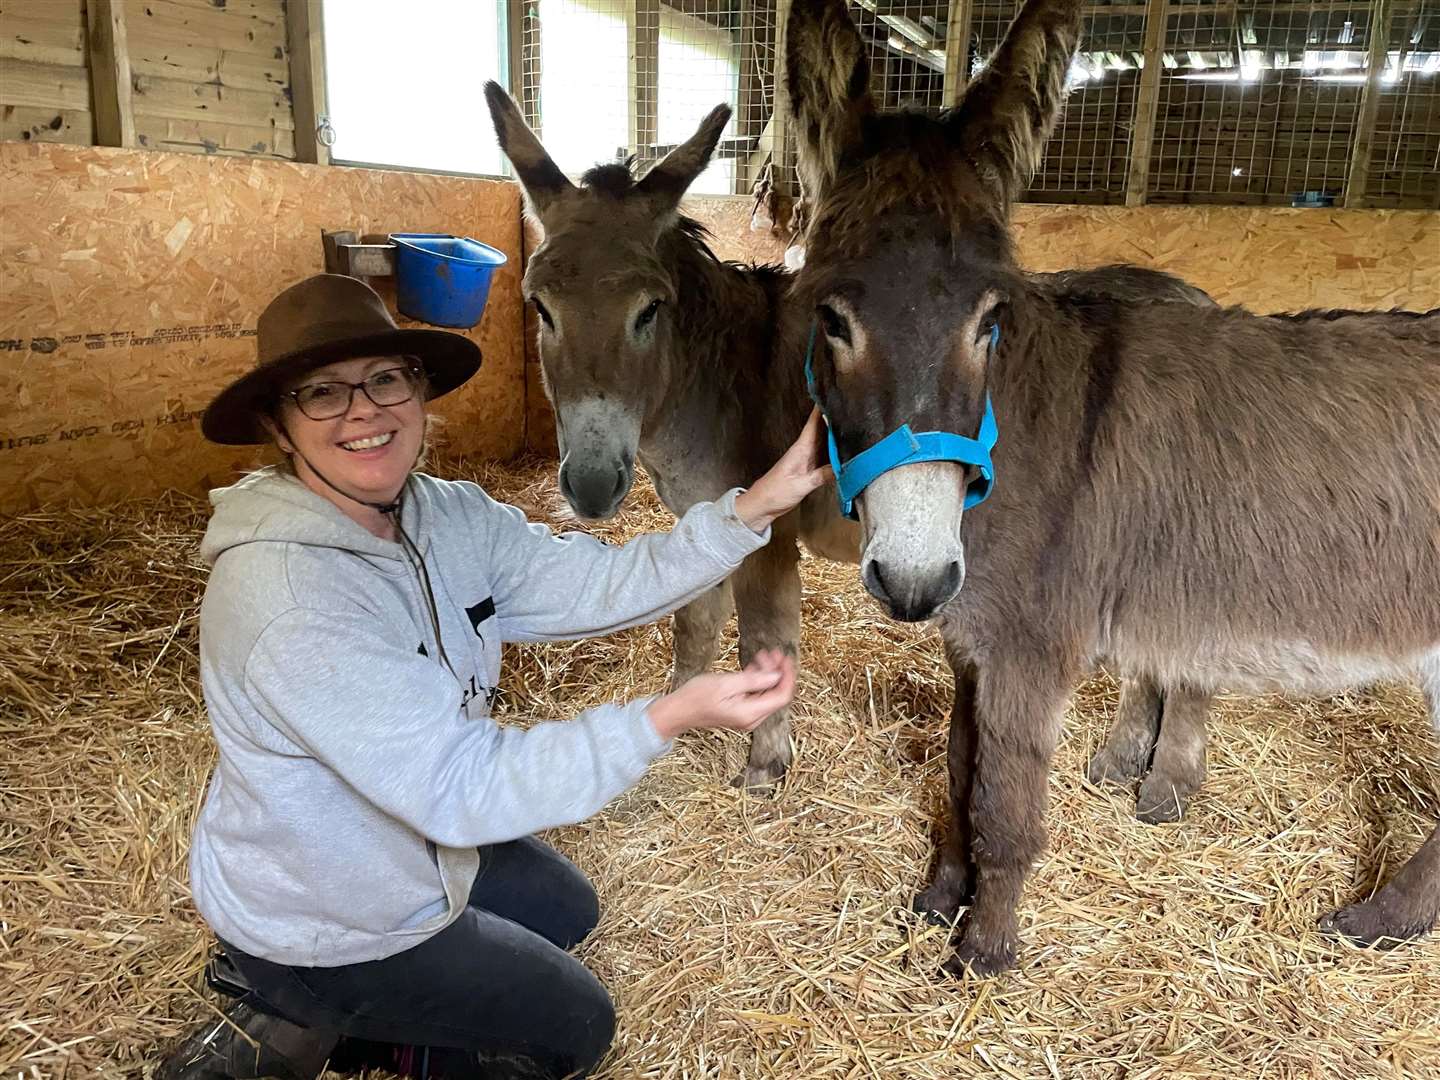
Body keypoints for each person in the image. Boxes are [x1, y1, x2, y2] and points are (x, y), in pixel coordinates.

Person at [157, 274, 832, 1080]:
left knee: (567, 912)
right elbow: (461, 785)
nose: (364, 411)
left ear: (417, 392)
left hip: (404, 835)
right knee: (574, 1030)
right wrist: (662, 718)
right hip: (327, 911)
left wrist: (749, 511)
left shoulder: (443, 514)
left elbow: (595, 586)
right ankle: (312, 1010)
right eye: (322, 393)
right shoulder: (291, 602)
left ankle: (346, 1010)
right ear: (278, 423)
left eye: (385, 379)